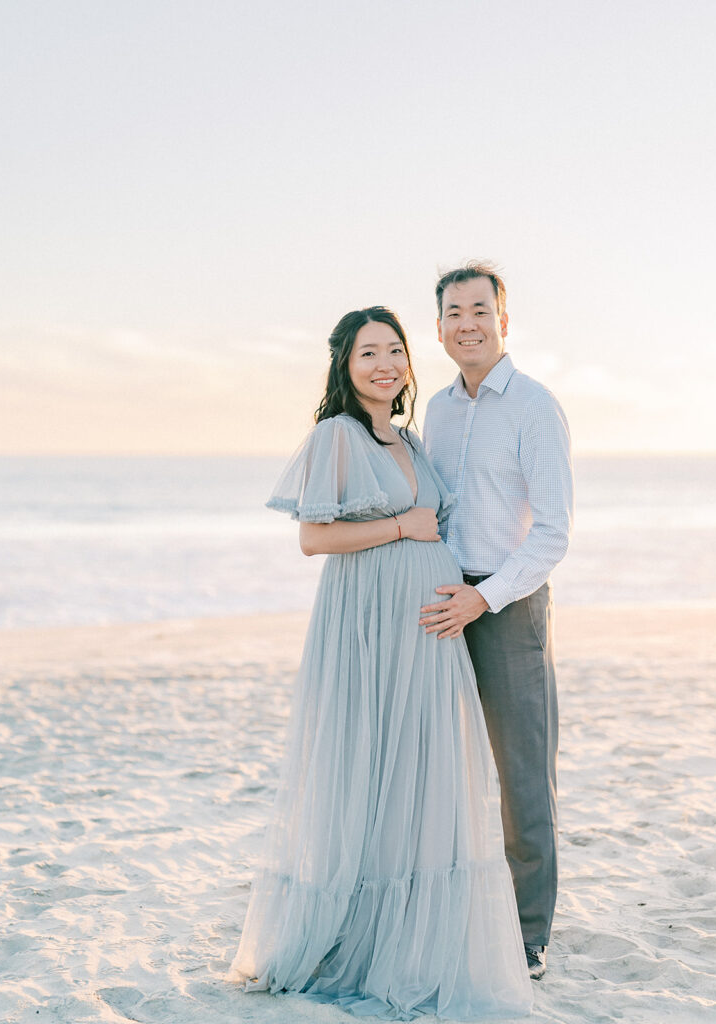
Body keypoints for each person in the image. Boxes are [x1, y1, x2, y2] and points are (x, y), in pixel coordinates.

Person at [229, 306, 532, 1020]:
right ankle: (353, 937)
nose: (385, 365)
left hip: (428, 632)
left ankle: (414, 937)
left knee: (418, 776)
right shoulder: (334, 436)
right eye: (368, 353)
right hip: (368, 627)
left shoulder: (409, 436)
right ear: (344, 364)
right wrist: (402, 526)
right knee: (366, 771)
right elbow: (312, 539)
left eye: (395, 351)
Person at [421, 263, 573, 981]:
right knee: (444, 769)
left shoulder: (534, 406)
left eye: (479, 309)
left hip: (508, 606)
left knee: (521, 777)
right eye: (453, 312)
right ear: (441, 325)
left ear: (502, 322)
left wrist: (487, 596)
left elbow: (551, 532)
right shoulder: (440, 410)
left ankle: (526, 939)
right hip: (442, 603)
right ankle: (454, 914)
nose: (466, 323)